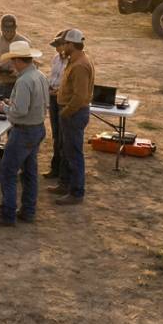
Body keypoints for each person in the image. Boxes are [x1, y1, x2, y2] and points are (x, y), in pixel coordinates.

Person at [0, 40, 48, 227]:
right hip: (37, 128)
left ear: (18, 60)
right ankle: (28, 211)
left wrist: (5, 108)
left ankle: (8, 215)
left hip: (24, 131)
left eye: (13, 60)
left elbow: (20, 111)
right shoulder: (39, 75)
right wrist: (11, 104)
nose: (12, 64)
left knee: (7, 172)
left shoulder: (23, 81)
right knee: (29, 172)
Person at [50, 29, 94, 205]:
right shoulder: (75, 60)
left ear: (71, 44)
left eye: (65, 43)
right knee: (67, 151)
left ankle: (76, 192)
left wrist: (65, 112)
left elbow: (79, 96)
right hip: (72, 112)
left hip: (74, 114)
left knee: (74, 153)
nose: (62, 47)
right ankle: (65, 184)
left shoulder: (79, 65)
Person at [43, 30, 69, 180]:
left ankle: (63, 171)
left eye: (59, 45)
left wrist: (58, 91)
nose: (57, 49)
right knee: (56, 135)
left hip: (62, 100)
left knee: (63, 136)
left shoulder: (71, 62)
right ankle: (56, 168)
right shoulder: (56, 59)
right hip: (53, 98)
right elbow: (53, 77)